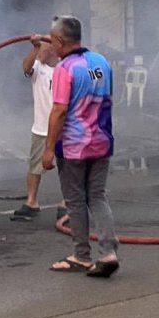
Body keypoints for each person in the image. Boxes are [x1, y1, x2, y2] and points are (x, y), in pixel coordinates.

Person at [42, 16, 119, 277]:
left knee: (75, 201)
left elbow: (59, 110)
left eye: (52, 41)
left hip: (74, 147)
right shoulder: (101, 62)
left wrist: (49, 148)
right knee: (97, 196)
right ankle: (108, 253)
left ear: (61, 41)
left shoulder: (65, 69)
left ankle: (82, 255)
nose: (51, 46)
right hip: (101, 141)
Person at [11, 34, 67, 223]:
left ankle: (67, 203)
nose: (43, 50)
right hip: (41, 128)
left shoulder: (66, 68)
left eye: (45, 47)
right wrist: (34, 48)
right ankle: (31, 201)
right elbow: (26, 68)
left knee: (67, 168)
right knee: (34, 167)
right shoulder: (38, 69)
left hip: (63, 128)